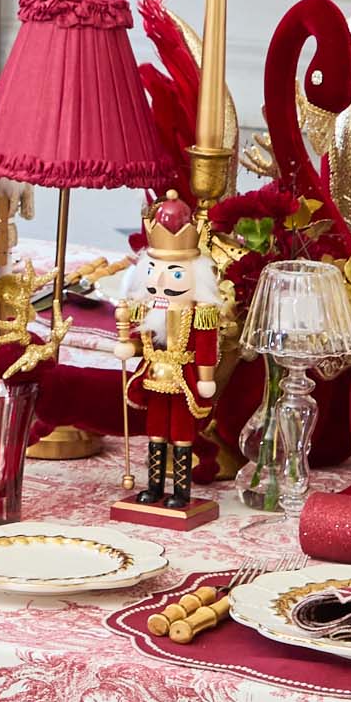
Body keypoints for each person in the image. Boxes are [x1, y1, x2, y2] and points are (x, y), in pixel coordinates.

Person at [114, 194, 222, 510]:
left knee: (182, 433)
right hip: (153, 376)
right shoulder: (144, 307)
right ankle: (154, 487)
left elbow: (205, 346)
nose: (161, 282)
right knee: (156, 431)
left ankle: (182, 492)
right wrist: (128, 346)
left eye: (174, 274)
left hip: (183, 377)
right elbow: (137, 340)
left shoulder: (200, 310)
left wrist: (206, 377)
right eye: (154, 273)